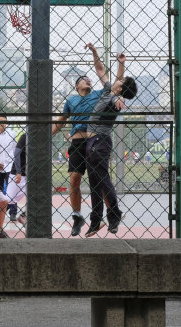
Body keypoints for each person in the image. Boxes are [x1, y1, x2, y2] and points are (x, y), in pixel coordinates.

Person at [52, 46, 125, 237]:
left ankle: (111, 215)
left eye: (89, 78)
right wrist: (44, 136)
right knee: (74, 178)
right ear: (77, 86)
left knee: (100, 180)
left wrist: (95, 54)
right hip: (77, 144)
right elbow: (60, 122)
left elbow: (105, 74)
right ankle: (77, 216)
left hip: (94, 141)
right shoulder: (71, 101)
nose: (88, 79)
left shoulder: (99, 94)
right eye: (84, 79)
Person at [83, 43, 137, 237]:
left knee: (103, 179)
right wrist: (95, 52)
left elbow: (118, 100)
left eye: (120, 81)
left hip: (100, 142)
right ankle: (96, 220)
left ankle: (114, 215)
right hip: (91, 142)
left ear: (121, 88)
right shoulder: (107, 91)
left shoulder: (114, 98)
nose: (116, 80)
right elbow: (100, 70)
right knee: (94, 182)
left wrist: (120, 100)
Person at [0, 115, 17, 220]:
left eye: (4, 121)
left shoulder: (12, 134)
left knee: (12, 190)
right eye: (0, 121)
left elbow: (15, 149)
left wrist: (16, 165)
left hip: (10, 166)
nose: (2, 124)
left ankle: (13, 213)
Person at [5, 133, 28, 226]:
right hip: (18, 174)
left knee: (38, 197)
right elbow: (17, 153)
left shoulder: (40, 138)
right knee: (8, 199)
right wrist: (18, 171)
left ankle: (23, 215)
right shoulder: (25, 136)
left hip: (30, 174)